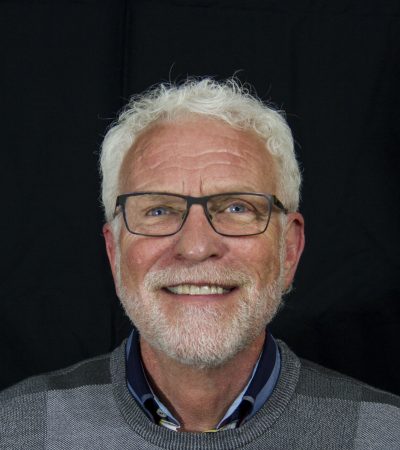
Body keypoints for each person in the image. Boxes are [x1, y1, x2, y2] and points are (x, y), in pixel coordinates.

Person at [1, 78, 399, 449]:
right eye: (159, 210)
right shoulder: (18, 430)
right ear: (115, 251)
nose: (195, 247)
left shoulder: (384, 434)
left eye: (237, 207)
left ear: (289, 249)